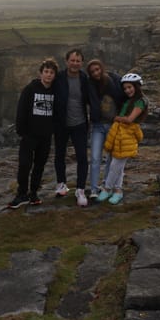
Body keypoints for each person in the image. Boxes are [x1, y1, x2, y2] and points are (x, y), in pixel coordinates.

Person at [8, 58, 60, 209]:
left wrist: (53, 130)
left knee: (39, 166)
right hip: (29, 135)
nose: (48, 75)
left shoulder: (55, 91)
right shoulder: (30, 89)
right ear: (41, 73)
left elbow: (57, 112)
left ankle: (33, 193)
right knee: (24, 165)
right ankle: (21, 194)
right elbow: (21, 109)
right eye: (46, 72)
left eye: (51, 72)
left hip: (45, 136)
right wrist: (21, 130)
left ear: (54, 75)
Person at [99, 72, 147, 205]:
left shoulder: (140, 101)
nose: (127, 90)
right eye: (125, 88)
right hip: (119, 135)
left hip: (127, 136)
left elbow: (130, 119)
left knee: (116, 164)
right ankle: (118, 191)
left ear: (137, 86)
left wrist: (114, 118)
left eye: (130, 87)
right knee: (118, 165)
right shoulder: (129, 101)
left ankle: (107, 188)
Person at [53, 48, 92, 206]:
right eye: (72, 60)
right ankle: (61, 184)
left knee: (82, 157)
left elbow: (94, 97)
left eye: (78, 61)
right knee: (59, 155)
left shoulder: (84, 79)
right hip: (61, 124)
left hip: (80, 124)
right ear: (66, 61)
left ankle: (80, 189)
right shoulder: (59, 78)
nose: (75, 63)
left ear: (82, 63)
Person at [85, 58, 124, 199]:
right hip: (97, 126)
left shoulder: (113, 80)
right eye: (92, 71)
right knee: (95, 158)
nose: (96, 73)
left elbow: (125, 94)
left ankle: (107, 186)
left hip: (113, 125)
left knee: (111, 158)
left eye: (97, 69)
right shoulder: (89, 85)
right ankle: (94, 189)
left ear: (102, 68)